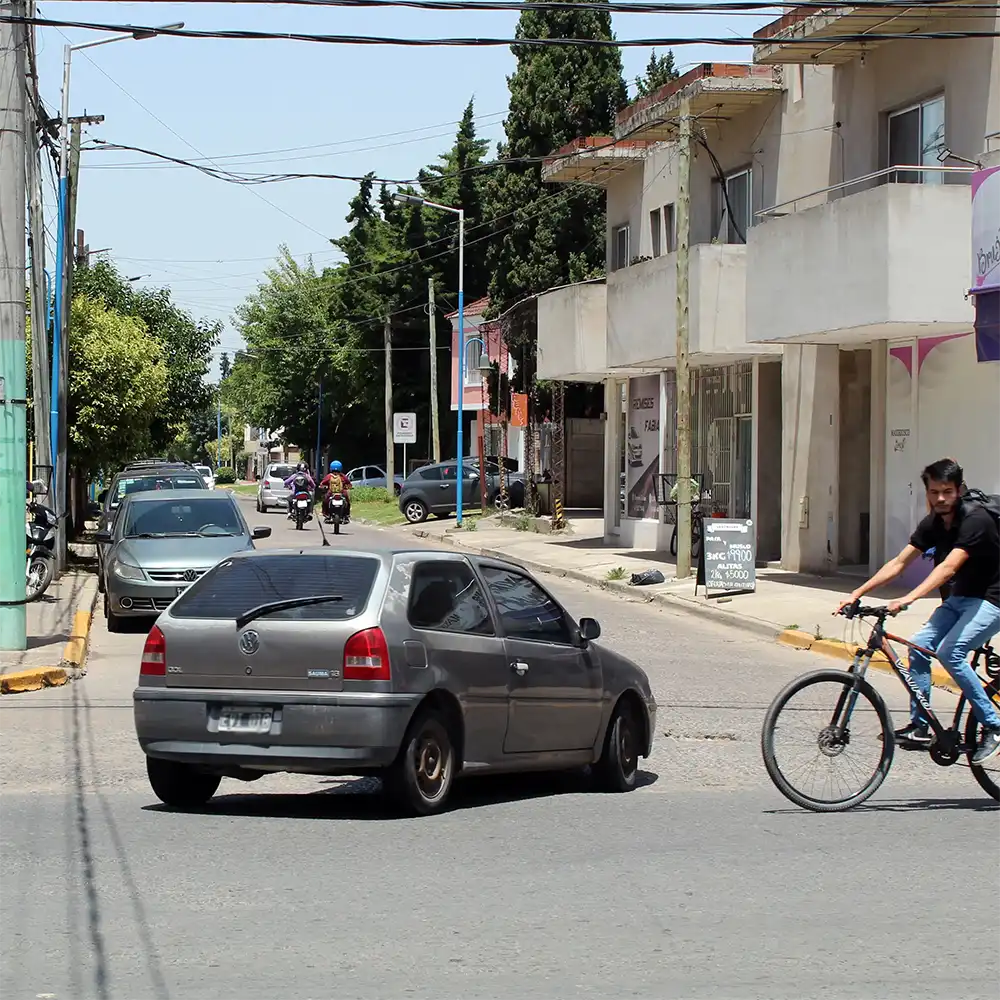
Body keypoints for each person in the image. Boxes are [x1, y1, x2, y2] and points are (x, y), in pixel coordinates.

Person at [838, 458, 1000, 764]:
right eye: (935, 491)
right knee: (920, 647)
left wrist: (908, 598)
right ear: (927, 491)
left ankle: (994, 725)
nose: (941, 498)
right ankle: (921, 726)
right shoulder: (934, 524)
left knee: (951, 652)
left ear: (958, 490)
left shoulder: (976, 519)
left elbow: (950, 566)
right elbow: (899, 562)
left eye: (948, 491)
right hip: (962, 597)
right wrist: (857, 593)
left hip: (994, 599)